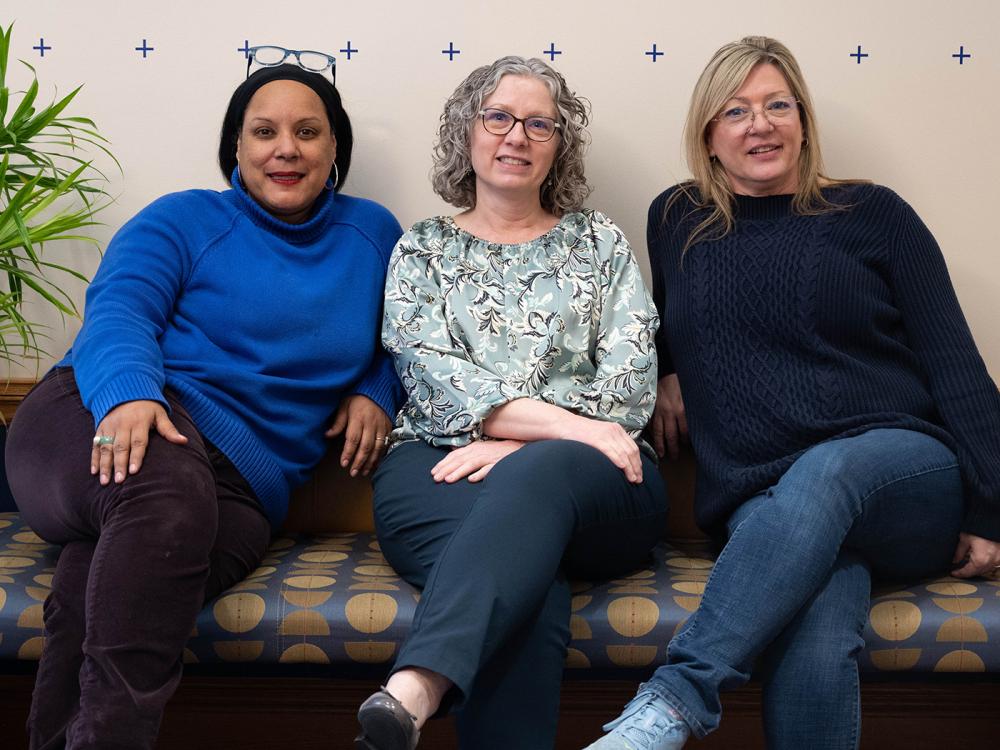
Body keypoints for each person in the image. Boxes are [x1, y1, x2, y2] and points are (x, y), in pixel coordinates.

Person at [586, 35, 1000, 750]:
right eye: (737, 111)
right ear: (708, 135)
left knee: (829, 466)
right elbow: (662, 319)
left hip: (902, 473)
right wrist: (664, 372)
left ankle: (671, 705)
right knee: (812, 633)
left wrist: (993, 508)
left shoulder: (874, 214)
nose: (761, 124)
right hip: (769, 504)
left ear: (804, 121)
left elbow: (955, 365)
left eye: (779, 105)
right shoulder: (677, 219)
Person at [4, 49, 404, 750]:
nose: (286, 149)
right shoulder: (182, 219)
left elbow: (411, 339)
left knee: (107, 571)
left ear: (335, 146)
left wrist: (375, 391)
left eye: (308, 132)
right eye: (264, 131)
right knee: (162, 500)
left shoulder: (375, 235)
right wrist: (129, 396)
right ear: (235, 147)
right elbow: (119, 310)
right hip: (98, 416)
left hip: (245, 490)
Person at [353, 56, 669, 750]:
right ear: (467, 132)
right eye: (498, 117)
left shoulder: (600, 242)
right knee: (529, 580)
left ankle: (418, 685)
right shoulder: (424, 249)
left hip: (599, 481)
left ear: (560, 145)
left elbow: (629, 380)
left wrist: (518, 446)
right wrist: (554, 428)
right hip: (434, 474)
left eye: (538, 124)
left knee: (538, 484)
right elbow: (433, 378)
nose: (515, 136)